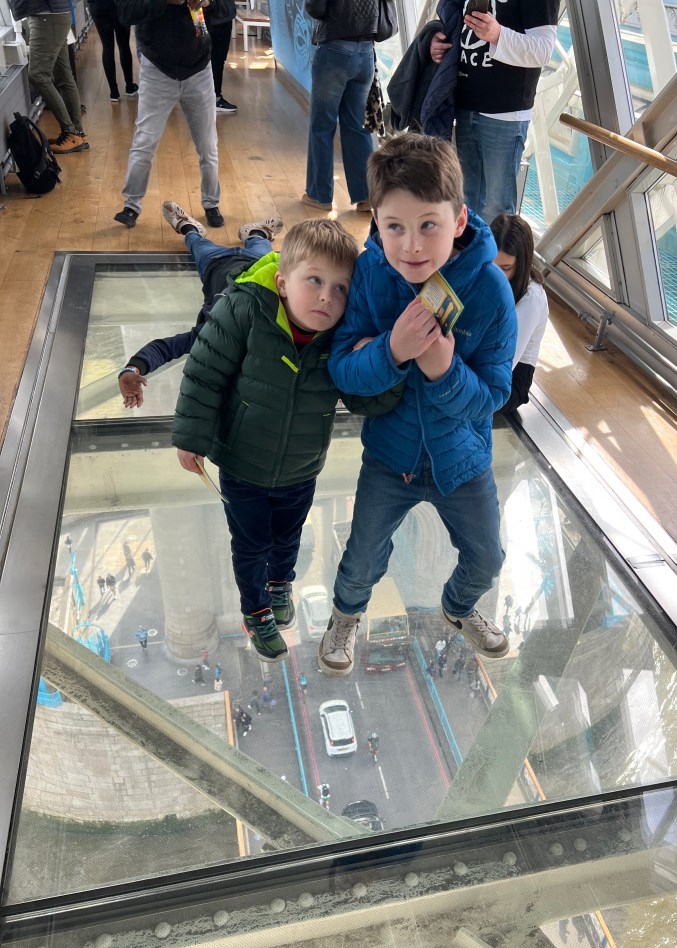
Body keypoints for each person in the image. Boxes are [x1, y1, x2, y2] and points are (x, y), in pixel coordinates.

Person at [318, 133, 517, 677]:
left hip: (463, 460)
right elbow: (342, 370)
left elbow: (495, 394)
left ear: (459, 220)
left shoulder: (491, 291)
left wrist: (445, 371)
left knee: (488, 558)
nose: (410, 246)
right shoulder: (370, 275)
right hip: (391, 455)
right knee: (362, 554)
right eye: (394, 227)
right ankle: (345, 614)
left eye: (429, 224)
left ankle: (459, 606)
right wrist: (392, 350)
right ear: (376, 223)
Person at [172, 218, 402, 663]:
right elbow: (205, 371)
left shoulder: (339, 337)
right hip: (242, 464)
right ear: (282, 283)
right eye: (314, 281)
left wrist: (387, 362)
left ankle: (280, 584)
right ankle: (256, 610)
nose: (326, 297)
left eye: (340, 288)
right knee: (251, 545)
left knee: (289, 536)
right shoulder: (244, 309)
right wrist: (191, 436)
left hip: (301, 468)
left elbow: (363, 399)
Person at [118, 203, 283, 408]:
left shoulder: (212, 337)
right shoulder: (274, 337)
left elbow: (165, 348)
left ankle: (187, 226)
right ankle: (256, 232)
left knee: (195, 240)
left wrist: (132, 369)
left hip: (217, 263)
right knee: (260, 241)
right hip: (260, 263)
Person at [430, 0, 558, 222]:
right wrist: (438, 43)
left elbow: (543, 50)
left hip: (505, 113)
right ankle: (471, 246)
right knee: (466, 199)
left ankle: (495, 247)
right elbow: (456, 22)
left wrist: (498, 34)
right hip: (465, 105)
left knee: (498, 210)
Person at [113, 0, 224, 229]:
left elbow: (227, 9)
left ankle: (211, 204)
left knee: (208, 145)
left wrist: (208, 2)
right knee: (145, 141)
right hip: (157, 67)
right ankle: (131, 206)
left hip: (199, 67)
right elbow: (126, 12)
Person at [301, 0, 395, 213]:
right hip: (366, 53)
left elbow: (316, 8)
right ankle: (365, 197)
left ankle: (319, 195)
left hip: (335, 51)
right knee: (357, 127)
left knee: (322, 126)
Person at [490, 214, 548, 413]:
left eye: (506, 268)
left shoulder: (532, 299)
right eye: (492, 265)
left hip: (510, 379)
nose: (496, 276)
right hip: (484, 357)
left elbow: (505, 363)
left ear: (522, 263)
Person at [23, 0, 89, 155]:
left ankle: (70, 132)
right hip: (54, 15)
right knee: (63, 75)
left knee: (38, 74)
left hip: (46, 17)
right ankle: (77, 134)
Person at [88, 0, 138, 102]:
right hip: (119, 6)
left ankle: (114, 92)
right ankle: (129, 86)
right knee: (124, 46)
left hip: (98, 6)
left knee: (107, 47)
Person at [206, 0, 238, 113]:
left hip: (217, 14)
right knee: (216, 59)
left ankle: (213, 97)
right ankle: (215, 98)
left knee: (214, 59)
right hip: (216, 15)